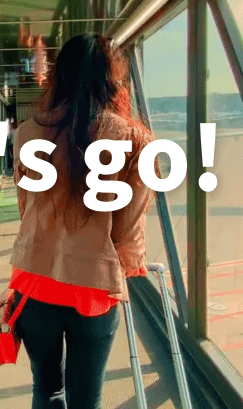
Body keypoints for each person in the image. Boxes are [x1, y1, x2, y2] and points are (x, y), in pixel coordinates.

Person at [8, 34, 153, 409]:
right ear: (113, 79)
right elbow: (128, 234)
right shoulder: (134, 140)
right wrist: (127, 265)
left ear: (59, 76)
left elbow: (27, 208)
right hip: (92, 291)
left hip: (33, 282)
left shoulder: (27, 133)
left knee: (46, 389)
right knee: (87, 398)